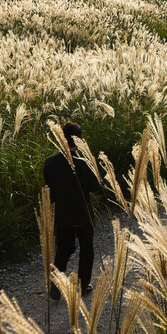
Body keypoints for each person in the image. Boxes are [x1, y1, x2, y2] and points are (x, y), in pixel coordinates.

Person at [43, 121, 100, 299]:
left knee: (64, 249)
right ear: (78, 140)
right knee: (86, 250)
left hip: (61, 216)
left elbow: (49, 186)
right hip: (83, 216)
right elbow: (96, 187)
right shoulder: (82, 164)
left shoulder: (49, 163)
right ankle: (83, 286)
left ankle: (56, 284)